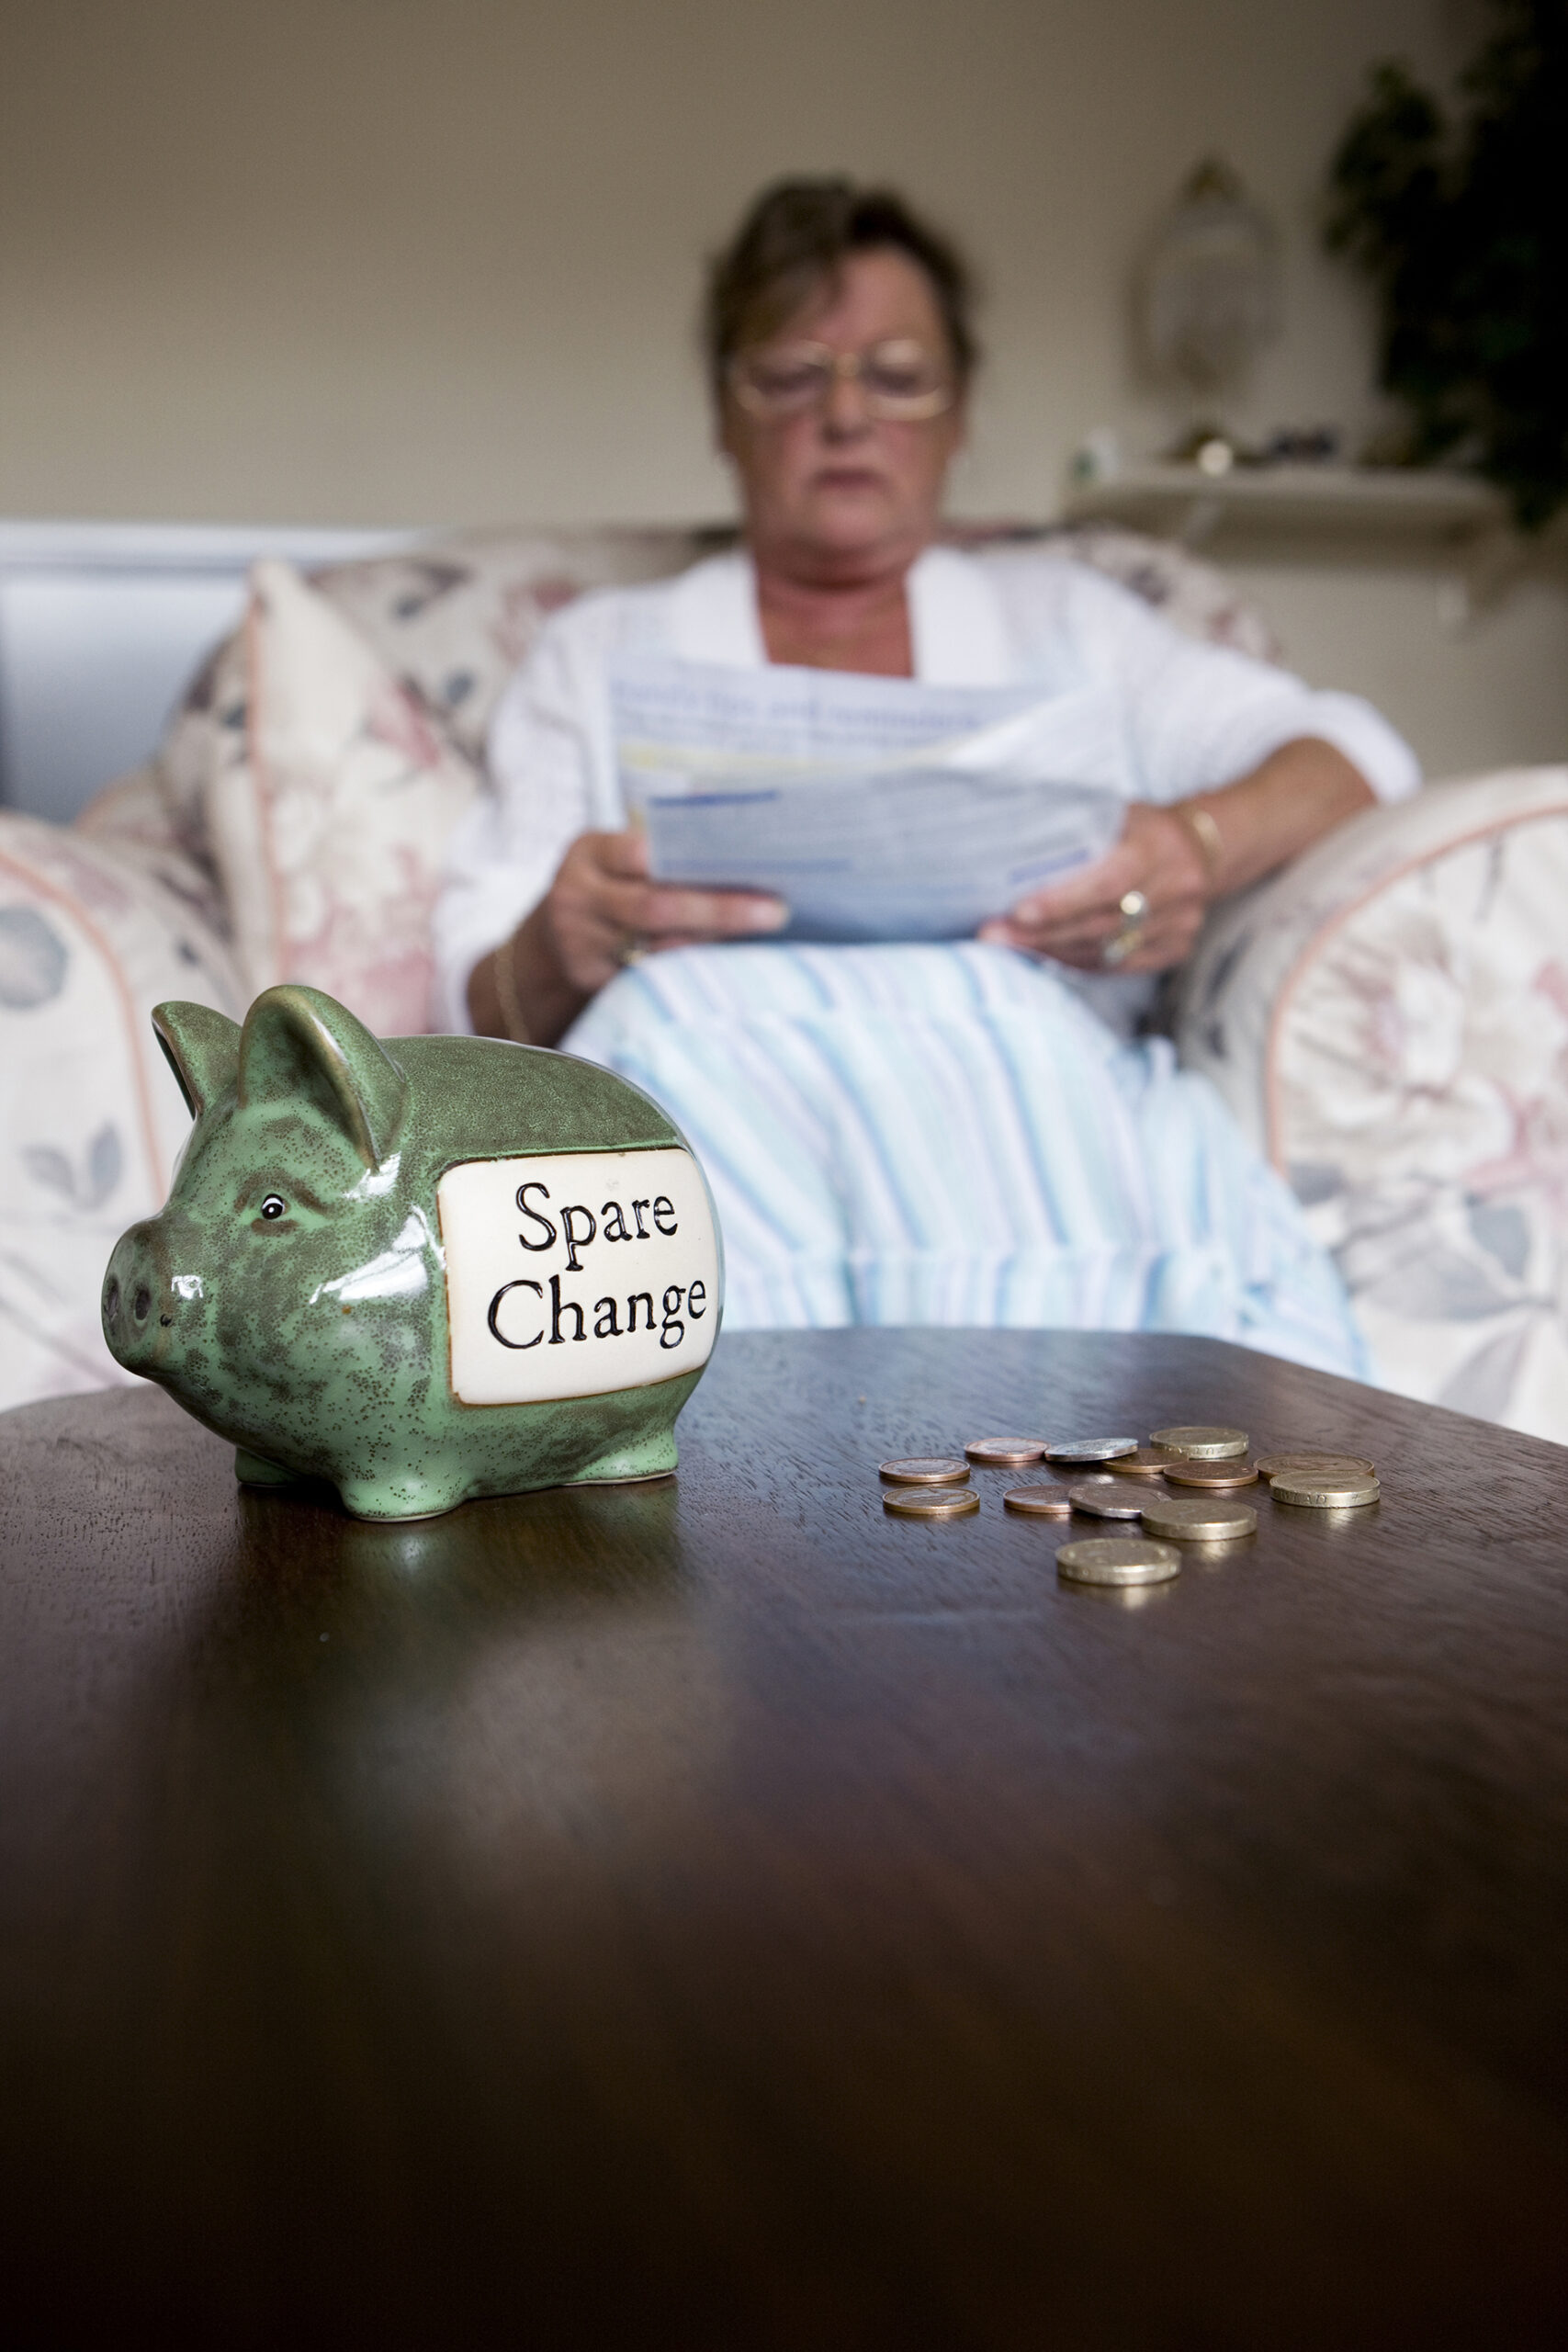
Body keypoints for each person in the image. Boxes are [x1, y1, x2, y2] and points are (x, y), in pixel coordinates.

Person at [435, 178, 1418, 1369]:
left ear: (958, 417)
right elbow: (471, 1007)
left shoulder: (1075, 625)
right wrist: (557, 943)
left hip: (1024, 1124)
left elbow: (1359, 755)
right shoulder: (597, 653)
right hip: (706, 1116)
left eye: (898, 378)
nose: (846, 418)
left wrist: (1192, 846)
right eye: (793, 375)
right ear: (723, 412)